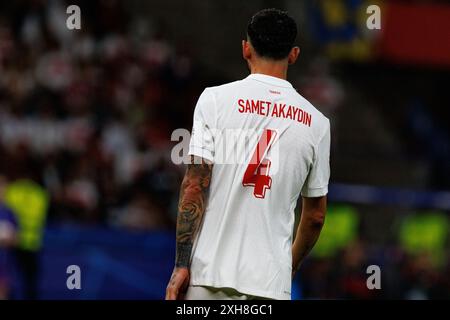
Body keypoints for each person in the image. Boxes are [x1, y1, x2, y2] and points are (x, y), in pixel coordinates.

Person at [166, 8, 330, 300]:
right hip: (269, 285)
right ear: (293, 54)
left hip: (209, 278)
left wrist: (181, 265)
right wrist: (286, 268)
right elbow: (315, 216)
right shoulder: (317, 123)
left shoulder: (215, 100)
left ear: (245, 48)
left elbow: (194, 185)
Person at [0, 176, 18, 300]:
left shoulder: (10, 212)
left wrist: (10, 240)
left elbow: (17, 238)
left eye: (4, 187)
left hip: (4, 264)